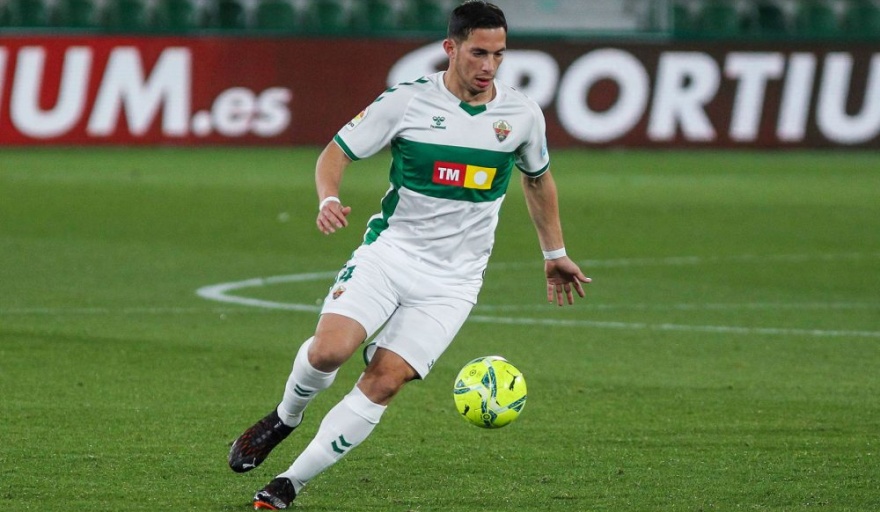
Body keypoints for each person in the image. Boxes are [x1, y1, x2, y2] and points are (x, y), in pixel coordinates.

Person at [228, 1, 591, 509]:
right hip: (390, 256)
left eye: (499, 55)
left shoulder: (521, 115)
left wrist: (554, 252)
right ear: (451, 49)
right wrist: (328, 199)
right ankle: (286, 417)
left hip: (454, 282)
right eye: (478, 52)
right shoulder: (407, 101)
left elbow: (537, 179)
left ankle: (289, 483)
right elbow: (336, 152)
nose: (489, 66)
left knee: (384, 381)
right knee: (328, 352)